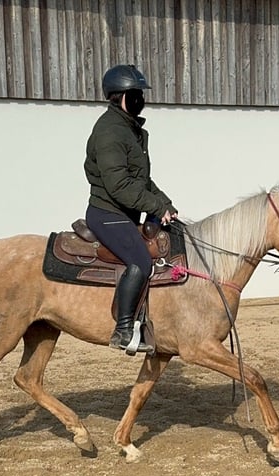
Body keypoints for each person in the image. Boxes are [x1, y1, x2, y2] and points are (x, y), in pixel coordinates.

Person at [84, 64, 178, 354]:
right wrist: (153, 206)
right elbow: (119, 184)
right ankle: (123, 329)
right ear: (120, 96)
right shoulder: (110, 131)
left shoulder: (130, 130)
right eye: (136, 94)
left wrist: (165, 204)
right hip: (107, 214)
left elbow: (143, 180)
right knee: (141, 261)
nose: (140, 99)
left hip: (124, 212)